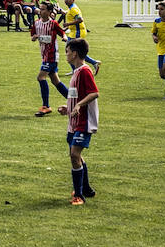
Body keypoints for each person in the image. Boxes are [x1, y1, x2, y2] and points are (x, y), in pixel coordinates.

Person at [59, 38, 100, 205]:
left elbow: (94, 93)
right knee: (76, 156)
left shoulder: (84, 71)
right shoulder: (76, 71)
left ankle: (79, 196)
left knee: (74, 155)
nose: (66, 54)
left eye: (67, 51)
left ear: (75, 53)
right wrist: (68, 108)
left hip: (84, 122)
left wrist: (79, 106)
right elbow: (76, 96)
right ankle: (86, 189)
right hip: (74, 121)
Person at [31, 1, 69, 116]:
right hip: (44, 55)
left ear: (49, 11)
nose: (40, 11)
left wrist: (64, 37)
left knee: (41, 77)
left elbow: (62, 33)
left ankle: (46, 106)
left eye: (43, 9)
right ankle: (75, 100)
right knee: (55, 81)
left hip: (52, 55)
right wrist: (34, 37)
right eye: (40, 8)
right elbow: (32, 36)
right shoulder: (36, 23)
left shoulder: (53, 24)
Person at [61, 0, 101, 74]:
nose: (66, 0)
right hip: (74, 32)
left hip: (78, 32)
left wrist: (67, 24)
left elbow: (80, 19)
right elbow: (74, 20)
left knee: (72, 51)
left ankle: (92, 63)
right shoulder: (71, 8)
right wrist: (66, 28)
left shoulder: (73, 9)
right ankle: (77, 69)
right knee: (72, 51)